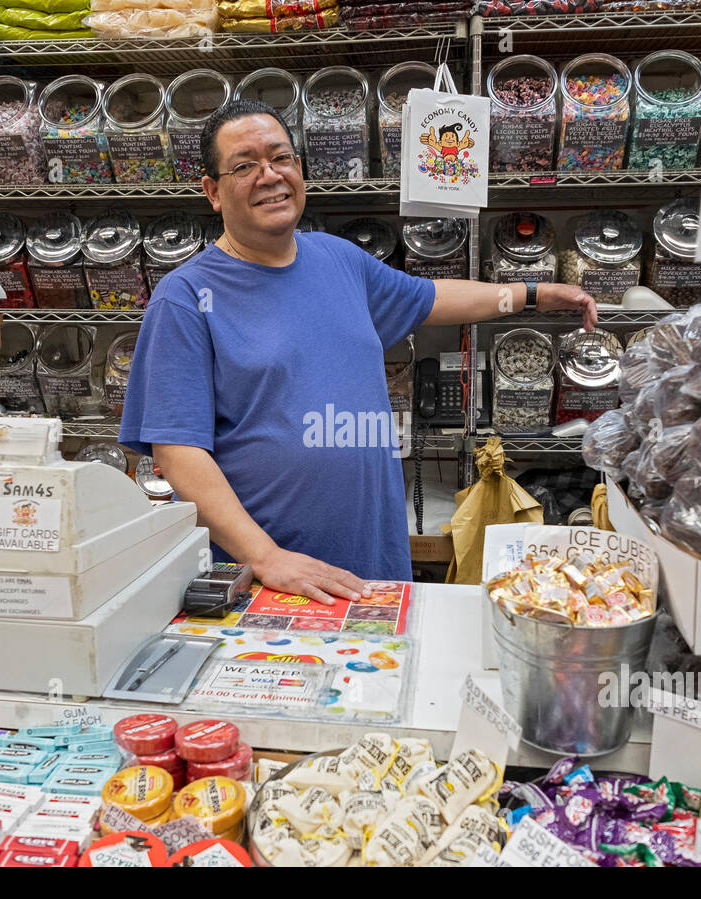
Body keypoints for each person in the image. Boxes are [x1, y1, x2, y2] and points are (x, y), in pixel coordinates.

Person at [119, 99, 596, 605]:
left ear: (299, 169)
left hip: (372, 551)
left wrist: (531, 293)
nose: (269, 175)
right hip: (273, 576)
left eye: (281, 157)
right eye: (244, 165)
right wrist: (265, 557)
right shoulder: (185, 296)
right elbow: (178, 453)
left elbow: (429, 297)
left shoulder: (338, 258)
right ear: (213, 192)